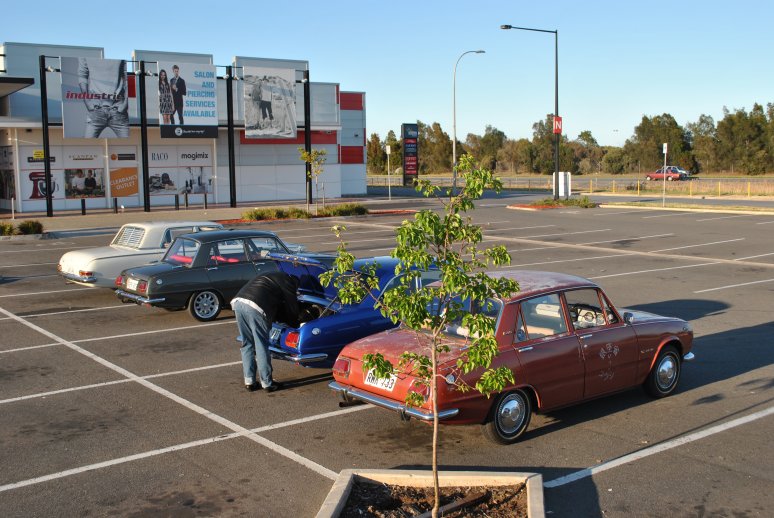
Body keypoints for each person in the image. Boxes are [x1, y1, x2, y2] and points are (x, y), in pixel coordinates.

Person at [231, 271, 300, 392]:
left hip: (238, 302)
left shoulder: (272, 275)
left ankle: (249, 382)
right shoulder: (289, 282)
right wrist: (294, 325)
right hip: (255, 306)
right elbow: (292, 307)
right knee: (261, 345)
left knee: (247, 343)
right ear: (295, 283)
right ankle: (267, 383)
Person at [78, 58, 129, 138]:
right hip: (96, 110)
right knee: (87, 146)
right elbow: (82, 76)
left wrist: (125, 104)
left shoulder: (121, 52)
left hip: (118, 110)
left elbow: (129, 77)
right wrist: (87, 102)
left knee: (129, 145)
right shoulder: (85, 52)